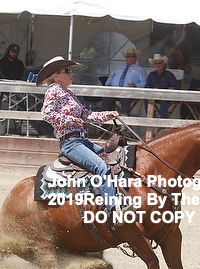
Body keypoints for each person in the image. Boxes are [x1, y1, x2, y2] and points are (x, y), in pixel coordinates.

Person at [38, 56, 135, 224]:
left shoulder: (69, 93)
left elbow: (86, 115)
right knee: (101, 167)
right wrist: (70, 120)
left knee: (114, 157)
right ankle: (113, 210)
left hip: (82, 141)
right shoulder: (53, 90)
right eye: (67, 71)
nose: (71, 74)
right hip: (70, 143)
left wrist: (107, 115)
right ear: (56, 76)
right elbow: (46, 114)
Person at [101, 47, 147, 116]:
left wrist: (136, 86)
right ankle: (103, 118)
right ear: (126, 58)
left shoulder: (140, 69)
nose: (130, 58)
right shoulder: (119, 67)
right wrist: (108, 84)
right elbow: (111, 76)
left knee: (125, 97)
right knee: (106, 98)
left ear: (136, 58)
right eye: (128, 56)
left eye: (132, 56)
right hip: (115, 90)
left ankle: (125, 119)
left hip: (129, 92)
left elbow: (144, 82)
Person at [144, 53, 180, 118]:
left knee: (164, 100)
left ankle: (163, 120)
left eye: (160, 63)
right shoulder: (151, 75)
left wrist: (172, 89)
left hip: (165, 97)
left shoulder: (169, 75)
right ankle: (151, 118)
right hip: (154, 96)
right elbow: (146, 87)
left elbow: (177, 87)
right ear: (153, 65)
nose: (158, 65)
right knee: (146, 99)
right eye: (156, 63)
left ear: (163, 64)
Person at [0, 44, 25, 110]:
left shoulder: (20, 64)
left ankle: (21, 109)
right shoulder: (1, 63)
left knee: (21, 89)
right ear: (8, 51)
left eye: (15, 52)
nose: (14, 54)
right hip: (3, 85)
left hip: (15, 85)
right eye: (12, 52)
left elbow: (22, 76)